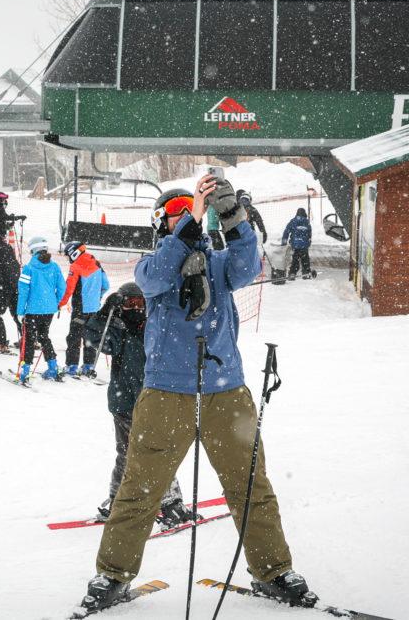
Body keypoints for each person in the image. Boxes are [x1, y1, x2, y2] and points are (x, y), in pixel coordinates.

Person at [77, 175, 316, 614]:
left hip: (226, 392)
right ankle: (112, 574)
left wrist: (233, 220)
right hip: (166, 394)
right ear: (159, 225)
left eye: (192, 208)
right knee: (139, 489)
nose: (186, 216)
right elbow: (159, 276)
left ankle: (273, 571)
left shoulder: (219, 264)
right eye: (175, 213)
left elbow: (248, 265)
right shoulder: (150, 267)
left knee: (250, 487)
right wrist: (188, 229)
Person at [84, 283, 192, 526]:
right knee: (127, 454)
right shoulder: (118, 331)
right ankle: (117, 500)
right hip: (124, 403)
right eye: (128, 303)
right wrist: (104, 314)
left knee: (159, 453)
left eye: (139, 303)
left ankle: (170, 503)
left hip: (155, 402)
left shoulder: (155, 329)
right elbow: (94, 340)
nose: (134, 308)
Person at [16, 236, 66, 383]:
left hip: (32, 310)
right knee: (44, 336)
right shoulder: (55, 267)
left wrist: (20, 311)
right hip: (49, 310)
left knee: (29, 339)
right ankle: (53, 367)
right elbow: (62, 287)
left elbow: (23, 291)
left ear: (33, 250)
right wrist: (55, 302)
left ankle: (25, 371)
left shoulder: (29, 268)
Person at [58, 241, 109, 378]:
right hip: (94, 309)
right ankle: (88, 366)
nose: (69, 258)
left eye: (68, 255)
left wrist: (60, 303)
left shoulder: (75, 266)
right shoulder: (96, 263)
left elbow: (69, 289)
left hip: (80, 309)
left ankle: (72, 366)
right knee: (90, 338)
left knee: (74, 337)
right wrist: (97, 297)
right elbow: (106, 285)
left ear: (74, 253)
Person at [281, 208, 313, 280]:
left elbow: (286, 232)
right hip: (304, 245)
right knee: (305, 259)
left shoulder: (293, 221)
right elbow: (309, 233)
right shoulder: (306, 222)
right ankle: (306, 273)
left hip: (295, 244)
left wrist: (284, 242)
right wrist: (308, 242)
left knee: (295, 259)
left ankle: (292, 273)